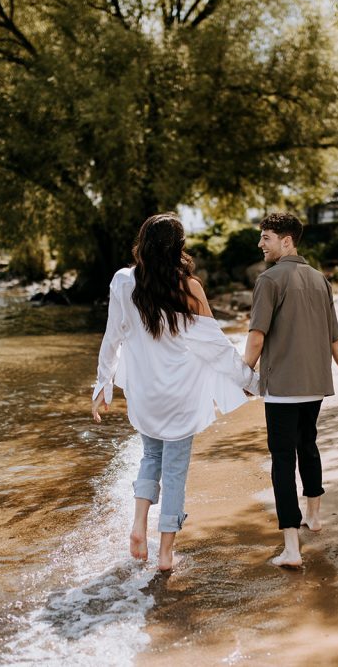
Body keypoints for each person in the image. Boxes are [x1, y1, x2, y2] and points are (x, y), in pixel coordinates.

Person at [92, 213, 260, 571]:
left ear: (143, 242)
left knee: (150, 457)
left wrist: (102, 385)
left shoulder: (123, 281)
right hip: (180, 393)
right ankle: (165, 553)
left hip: (144, 391)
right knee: (175, 472)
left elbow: (112, 336)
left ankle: (138, 525)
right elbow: (216, 347)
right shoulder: (189, 287)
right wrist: (250, 381)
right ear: (179, 247)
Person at [243, 212, 338, 568]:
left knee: (282, 461)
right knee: (307, 446)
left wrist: (241, 377)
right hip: (314, 386)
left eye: (266, 237)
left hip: (281, 388)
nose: (260, 244)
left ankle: (292, 549)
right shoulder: (319, 280)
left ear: (286, 240)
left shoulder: (269, 280)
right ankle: (314, 516)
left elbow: (256, 337)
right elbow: (335, 340)